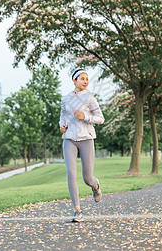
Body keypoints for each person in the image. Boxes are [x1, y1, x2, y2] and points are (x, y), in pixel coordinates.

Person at [59, 69, 105, 222]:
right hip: (69, 139)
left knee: (87, 178)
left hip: (87, 139)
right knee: (71, 172)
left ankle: (96, 186)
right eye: (82, 78)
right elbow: (63, 117)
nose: (85, 81)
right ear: (74, 81)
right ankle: (77, 211)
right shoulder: (65, 99)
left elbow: (100, 118)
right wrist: (62, 126)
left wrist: (84, 116)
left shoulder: (90, 98)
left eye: (87, 79)